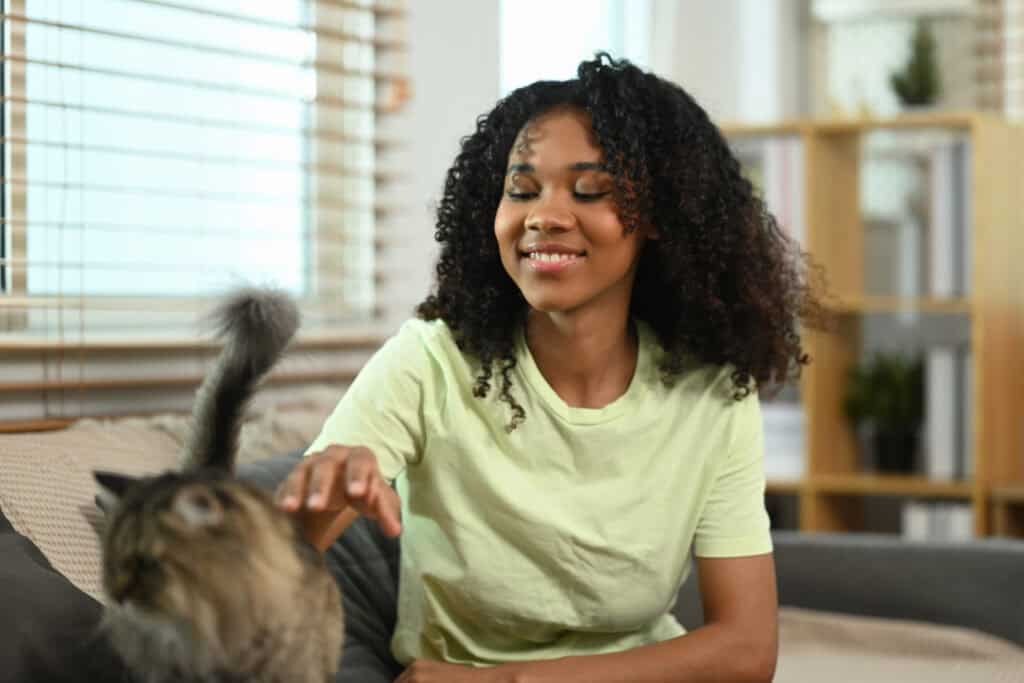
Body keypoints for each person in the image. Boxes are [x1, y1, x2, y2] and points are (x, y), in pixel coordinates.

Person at [278, 53, 822, 683]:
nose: (544, 216)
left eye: (590, 191)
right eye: (522, 189)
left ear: (658, 221)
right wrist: (314, 501)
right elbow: (270, 569)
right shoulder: (431, 360)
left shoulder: (712, 393)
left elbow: (748, 649)